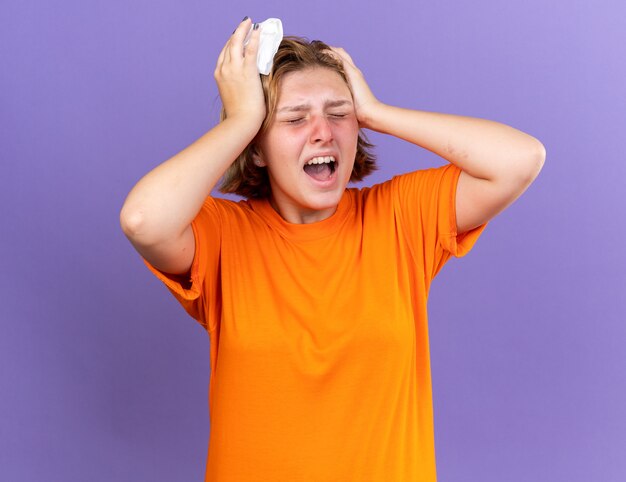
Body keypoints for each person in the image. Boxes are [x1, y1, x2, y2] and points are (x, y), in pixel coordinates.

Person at [120, 16, 545, 482]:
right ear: (256, 146)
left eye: (339, 113)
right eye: (295, 118)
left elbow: (520, 159)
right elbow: (143, 220)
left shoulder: (401, 218)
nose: (323, 131)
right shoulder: (223, 236)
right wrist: (243, 119)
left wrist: (378, 111)